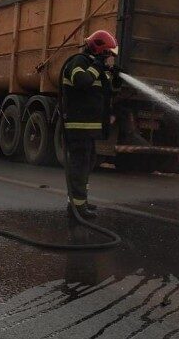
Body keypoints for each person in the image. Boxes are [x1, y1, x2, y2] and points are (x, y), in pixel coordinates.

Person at [60, 30, 121, 220]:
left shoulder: (95, 67)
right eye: (108, 54)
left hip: (90, 129)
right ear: (99, 50)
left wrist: (115, 79)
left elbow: (106, 92)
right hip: (78, 127)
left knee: (87, 165)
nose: (110, 58)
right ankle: (77, 209)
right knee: (79, 166)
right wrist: (97, 67)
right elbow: (82, 82)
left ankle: (80, 202)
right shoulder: (78, 62)